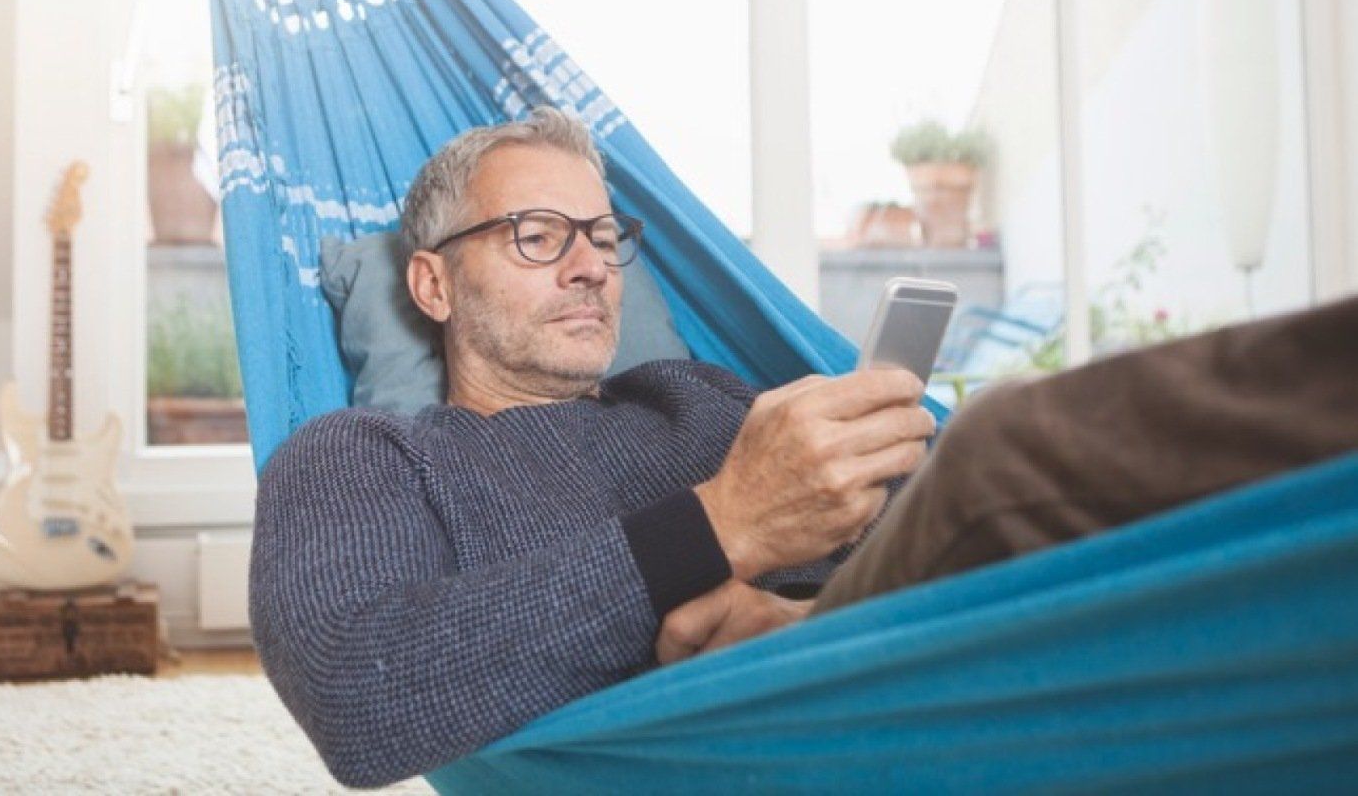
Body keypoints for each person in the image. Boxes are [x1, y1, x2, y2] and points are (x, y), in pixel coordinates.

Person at [249, 108, 1358, 788]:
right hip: (762, 729)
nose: (590, 266)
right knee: (1008, 450)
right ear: (433, 283)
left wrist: (803, 598)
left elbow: (898, 543)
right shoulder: (367, 456)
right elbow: (357, 694)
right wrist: (721, 525)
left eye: (604, 236)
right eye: (538, 237)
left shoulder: (690, 396)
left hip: (929, 642)